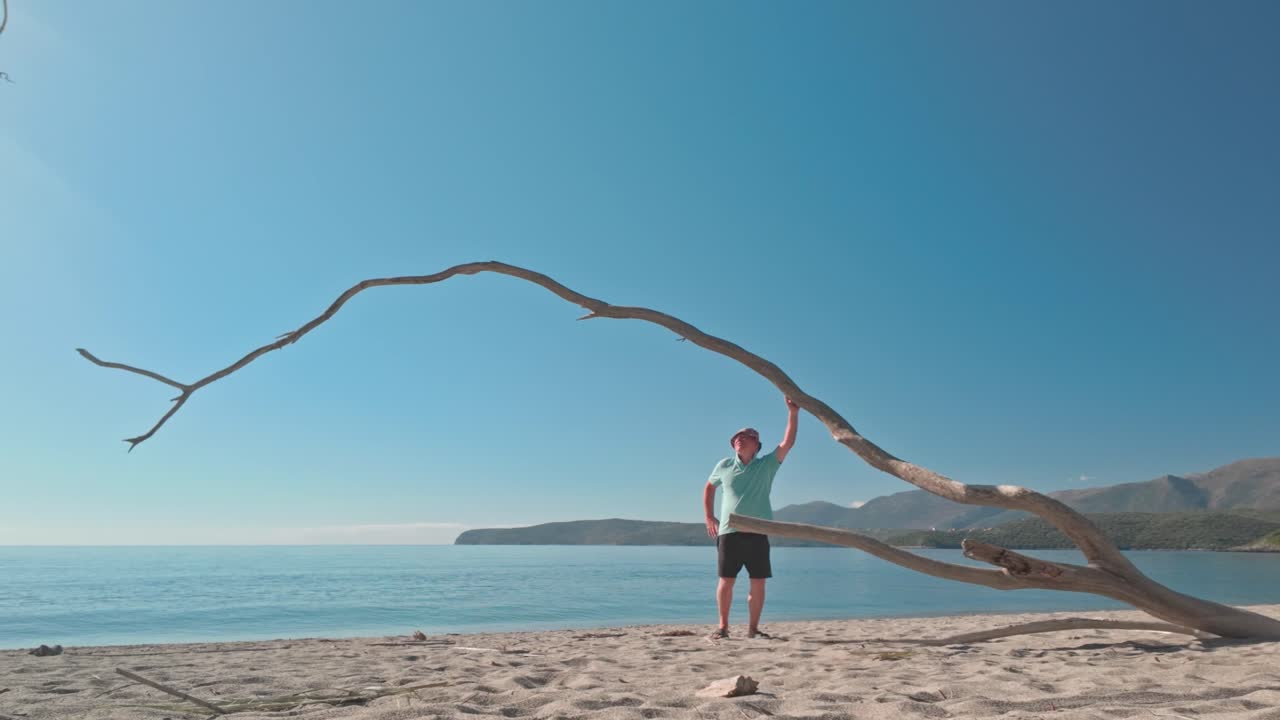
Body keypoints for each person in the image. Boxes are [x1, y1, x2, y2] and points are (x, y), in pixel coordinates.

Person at [702, 396, 799, 640]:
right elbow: (709, 488)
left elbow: (787, 443)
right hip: (728, 532)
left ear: (757, 445)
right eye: (737, 437)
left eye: (746, 436)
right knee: (726, 580)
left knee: (758, 582)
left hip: (757, 532)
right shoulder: (723, 465)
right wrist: (709, 517)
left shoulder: (766, 465)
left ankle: (753, 629)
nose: (740, 439)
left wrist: (793, 412)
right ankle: (723, 628)